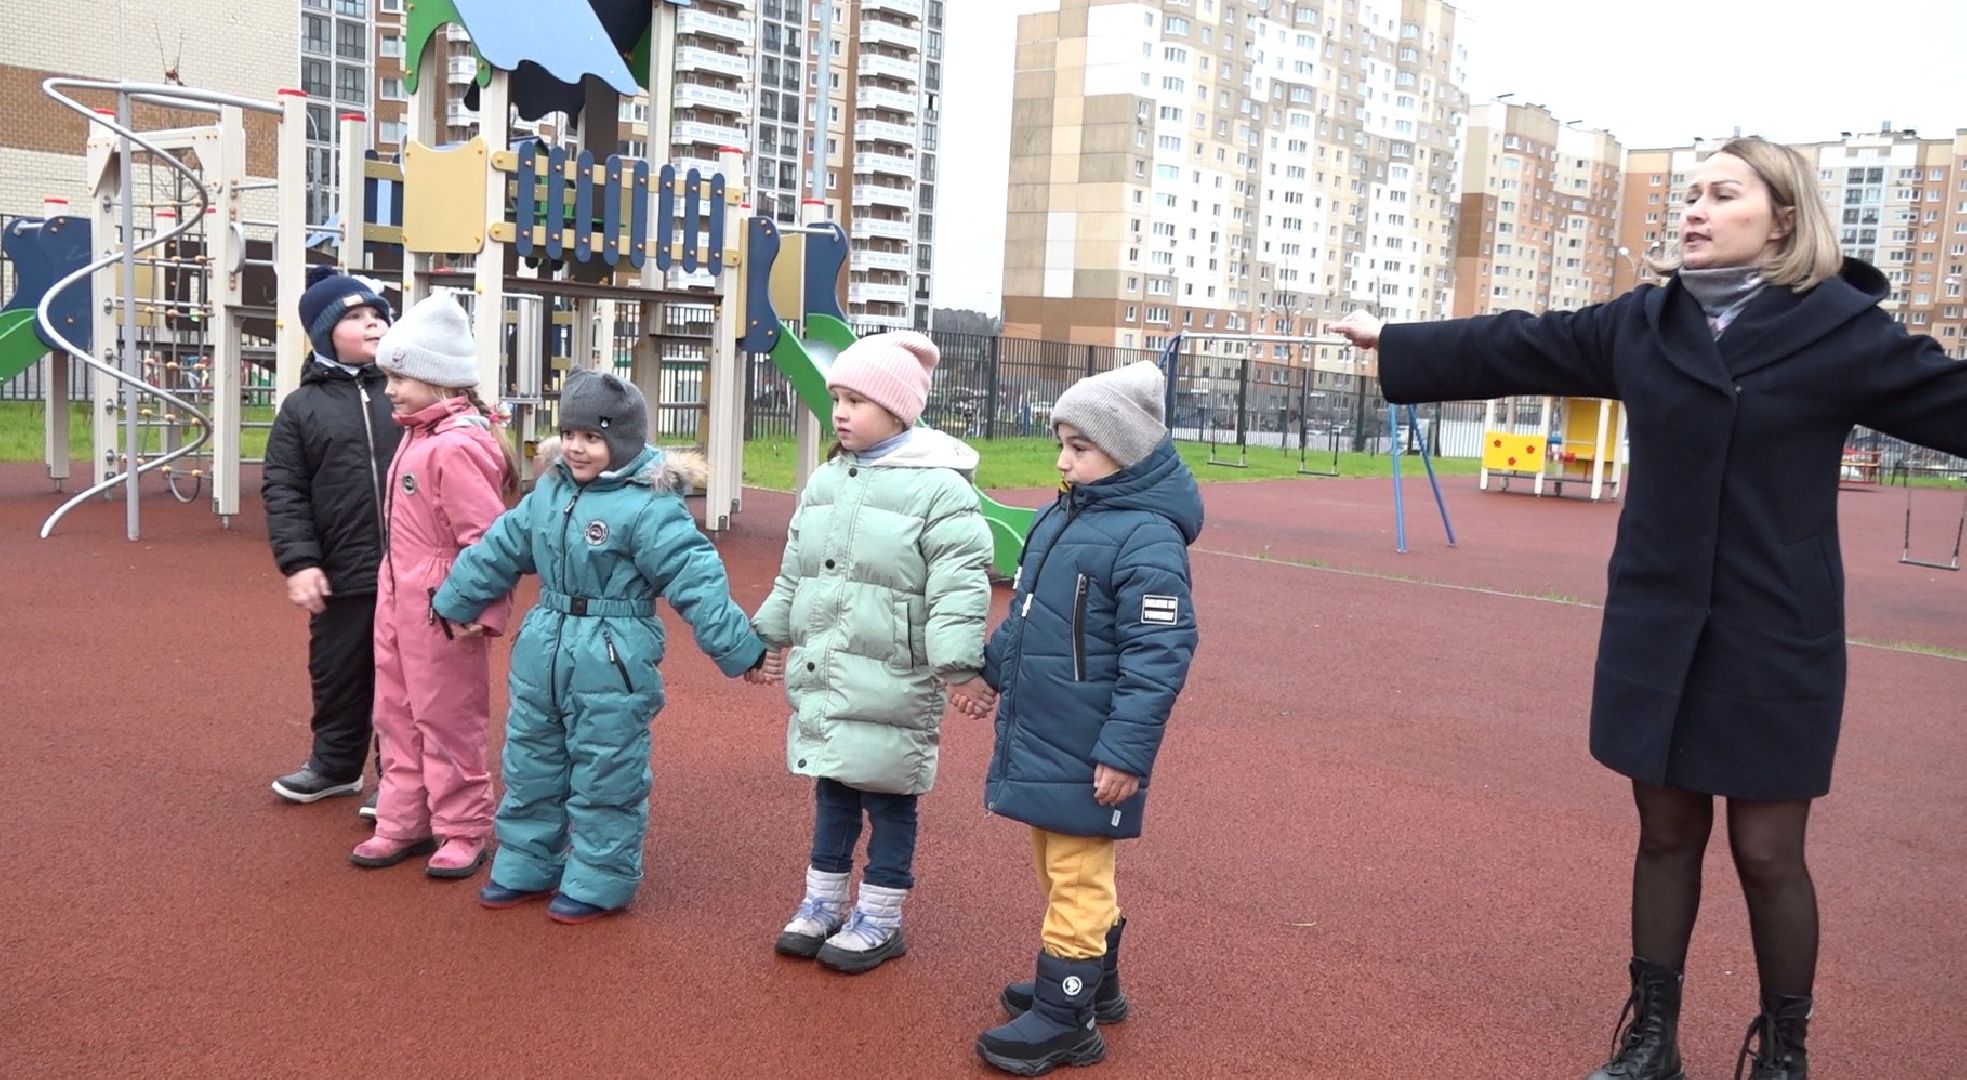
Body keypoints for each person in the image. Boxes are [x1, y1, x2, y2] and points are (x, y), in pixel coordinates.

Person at [1330, 136, 1967, 1080]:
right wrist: (1398, 341)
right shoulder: (1647, 323)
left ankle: (1783, 1052)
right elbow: (1522, 339)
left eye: (1722, 194)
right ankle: (1650, 1040)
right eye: (1689, 194)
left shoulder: (1841, 330)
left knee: (1766, 850)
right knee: (1664, 830)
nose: (1694, 211)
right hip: (1657, 619)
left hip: (1775, 628)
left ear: (1781, 218)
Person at [432, 368, 768, 923]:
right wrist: (454, 599)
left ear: (623, 442)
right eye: (570, 433)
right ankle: (526, 859)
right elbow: (500, 548)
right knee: (531, 759)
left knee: (605, 768)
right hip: (545, 644)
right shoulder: (550, 492)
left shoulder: (647, 505)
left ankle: (600, 877)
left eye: (592, 437)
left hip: (613, 655)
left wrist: (740, 650)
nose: (576, 447)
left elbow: (695, 578)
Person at [970, 361, 1203, 1075]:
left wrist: (1125, 753)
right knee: (1054, 858)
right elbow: (1029, 616)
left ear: (1125, 451)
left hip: (1089, 737)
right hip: (1047, 724)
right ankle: (1095, 985)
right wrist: (987, 672)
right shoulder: (1064, 516)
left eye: (1080, 447)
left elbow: (1159, 655)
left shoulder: (1146, 538)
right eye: (1061, 444)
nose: (1062, 461)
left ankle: (1065, 1017)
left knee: (1076, 875)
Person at [750, 332, 995, 974]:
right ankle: (823, 903)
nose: (841, 413)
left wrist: (958, 665)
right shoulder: (828, 480)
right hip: (830, 668)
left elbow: (960, 584)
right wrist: (771, 635)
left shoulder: (940, 490)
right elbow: (794, 571)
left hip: (893, 673)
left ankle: (881, 917)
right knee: (832, 787)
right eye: (837, 398)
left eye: (857, 400)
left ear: (898, 410)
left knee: (888, 796)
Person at [348, 294, 518, 878]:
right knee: (394, 711)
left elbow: (488, 539)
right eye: (387, 376)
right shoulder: (417, 437)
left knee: (447, 718)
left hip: (443, 605)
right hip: (399, 596)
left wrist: (475, 606)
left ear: (439, 380)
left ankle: (463, 827)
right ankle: (403, 819)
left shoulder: (456, 444)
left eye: (399, 376)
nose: (389, 388)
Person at [263, 266, 401, 813]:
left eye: (378, 315)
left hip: (409, 567)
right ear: (324, 334)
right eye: (355, 317)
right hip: (343, 570)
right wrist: (299, 563)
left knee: (406, 677)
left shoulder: (406, 390)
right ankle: (335, 765)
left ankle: (398, 775)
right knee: (339, 672)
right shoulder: (302, 408)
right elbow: (285, 488)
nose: (372, 325)